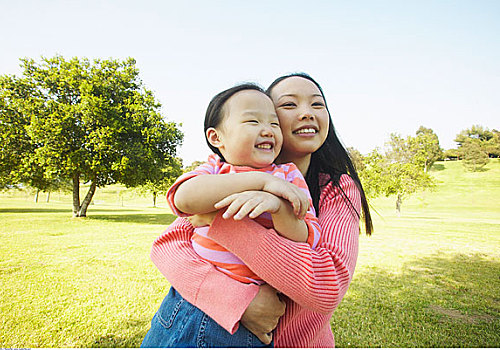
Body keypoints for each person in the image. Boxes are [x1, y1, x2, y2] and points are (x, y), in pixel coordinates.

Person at [142, 73, 373, 348]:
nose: (306, 114)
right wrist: (236, 301)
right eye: (289, 105)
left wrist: (221, 218)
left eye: (317, 104)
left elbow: (326, 286)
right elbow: (168, 246)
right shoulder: (223, 173)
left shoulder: (336, 188)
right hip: (206, 323)